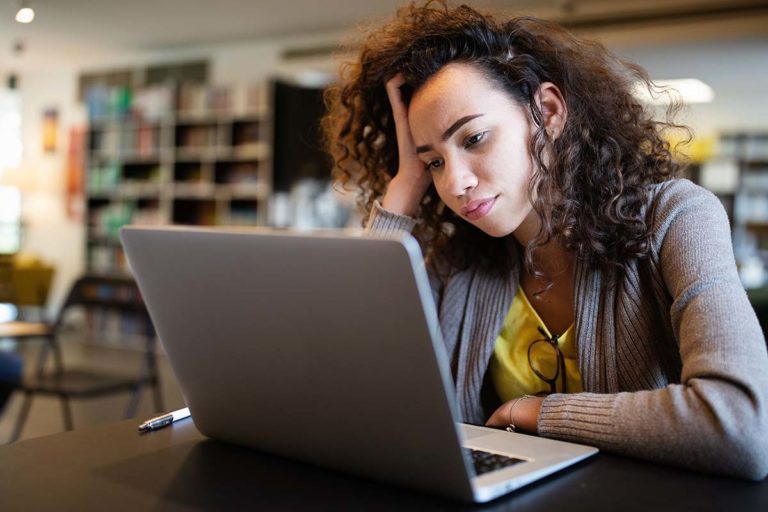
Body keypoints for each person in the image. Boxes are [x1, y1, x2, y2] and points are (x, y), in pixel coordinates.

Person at [321, 1, 768, 480]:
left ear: (547, 111)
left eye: (473, 139)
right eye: (434, 161)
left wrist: (536, 412)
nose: (455, 184)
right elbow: (351, 393)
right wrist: (404, 188)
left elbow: (740, 424)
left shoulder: (676, 216)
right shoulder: (458, 262)